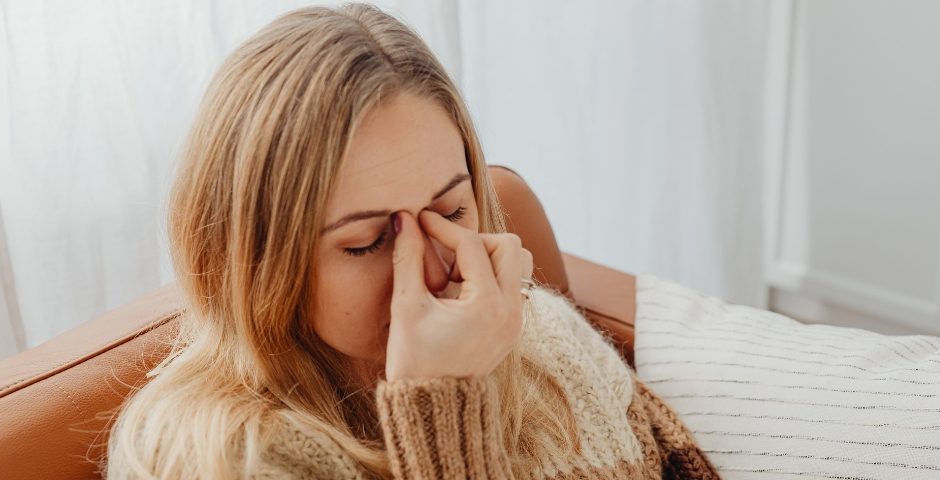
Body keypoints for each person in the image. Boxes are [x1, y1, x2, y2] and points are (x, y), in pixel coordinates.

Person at [105, 4, 719, 479]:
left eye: (451, 209)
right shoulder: (210, 456)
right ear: (257, 261)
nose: (429, 273)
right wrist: (442, 407)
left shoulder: (537, 335)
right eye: (368, 242)